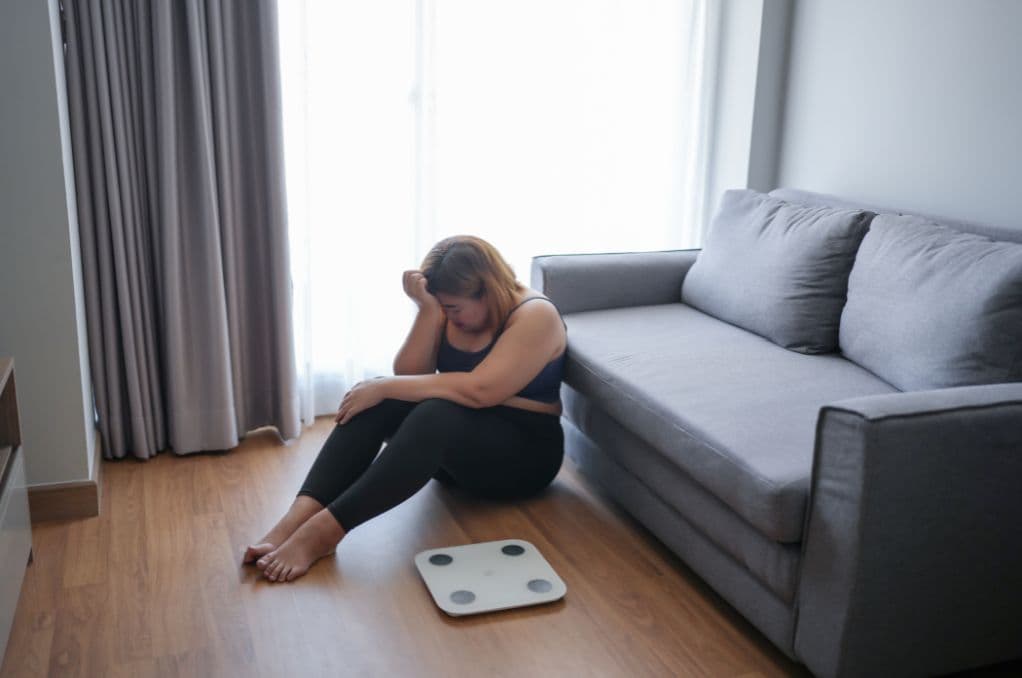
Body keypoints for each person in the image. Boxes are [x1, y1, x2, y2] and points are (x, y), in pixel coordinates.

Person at [243, 235, 568, 582]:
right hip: (458, 451)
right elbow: (411, 374)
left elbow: (481, 391)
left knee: (425, 408)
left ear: (487, 291)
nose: (448, 316)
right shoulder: (445, 308)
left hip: (523, 457)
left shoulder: (535, 315)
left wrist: (384, 385)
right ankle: (297, 517)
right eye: (442, 307)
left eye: (453, 308)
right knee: (380, 399)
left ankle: (324, 532)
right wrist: (427, 311)